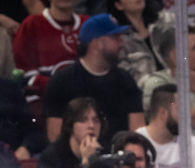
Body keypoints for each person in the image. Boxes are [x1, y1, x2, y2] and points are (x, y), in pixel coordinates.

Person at [42, 13, 144, 148]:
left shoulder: (125, 79)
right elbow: (55, 136)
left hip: (119, 159)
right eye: (115, 38)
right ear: (97, 43)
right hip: (75, 161)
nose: (121, 43)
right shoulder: (62, 80)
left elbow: (137, 132)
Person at [11, 0, 83, 102]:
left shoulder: (87, 24)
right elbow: (25, 75)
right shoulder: (31, 25)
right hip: (42, 103)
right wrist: (63, 87)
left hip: (84, 104)